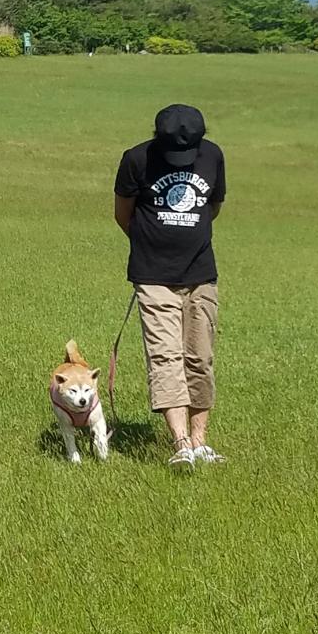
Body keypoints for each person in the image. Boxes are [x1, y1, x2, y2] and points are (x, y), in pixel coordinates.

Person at [113, 104, 226, 473]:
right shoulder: (136, 159)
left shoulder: (212, 156)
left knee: (200, 359)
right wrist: (151, 246)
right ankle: (180, 444)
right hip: (153, 276)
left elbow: (213, 206)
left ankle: (200, 441)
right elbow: (122, 213)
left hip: (201, 273)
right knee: (165, 357)